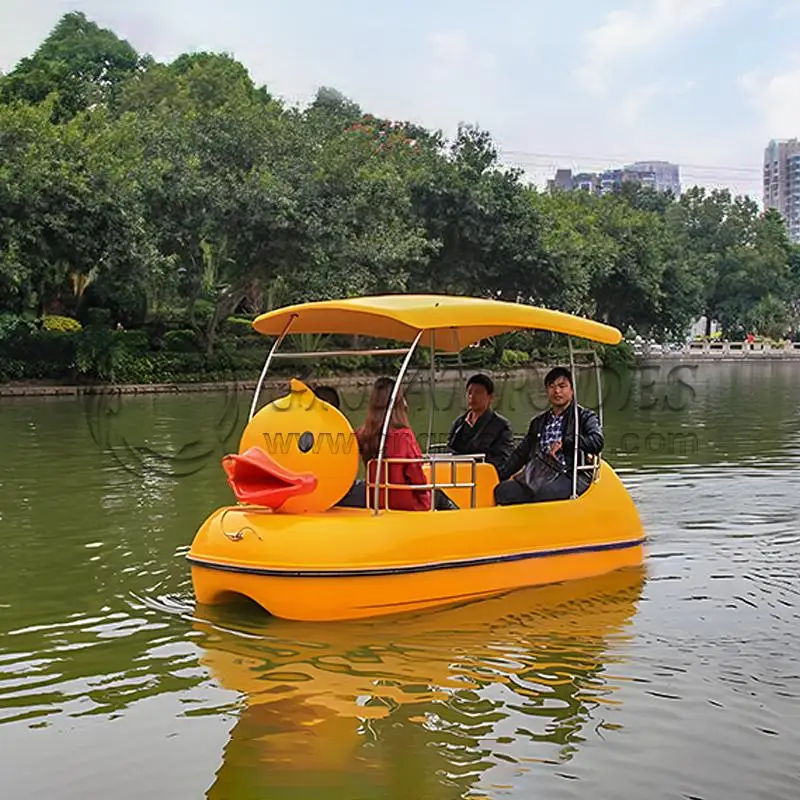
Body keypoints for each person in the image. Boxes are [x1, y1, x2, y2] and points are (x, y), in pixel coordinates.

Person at [494, 367, 603, 506]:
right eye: (552, 387)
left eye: (562, 386)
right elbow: (521, 453)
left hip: (569, 473)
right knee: (504, 491)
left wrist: (566, 442)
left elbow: (597, 441)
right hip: (541, 472)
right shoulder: (539, 422)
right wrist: (500, 474)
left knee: (545, 493)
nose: (557, 391)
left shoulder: (584, 417)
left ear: (572, 390)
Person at [447, 373, 513, 474]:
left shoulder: (501, 425)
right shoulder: (459, 423)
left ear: (490, 397)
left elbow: (502, 459)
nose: (472, 396)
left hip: (485, 475)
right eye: (469, 392)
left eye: (478, 392)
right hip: (458, 473)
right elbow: (450, 450)